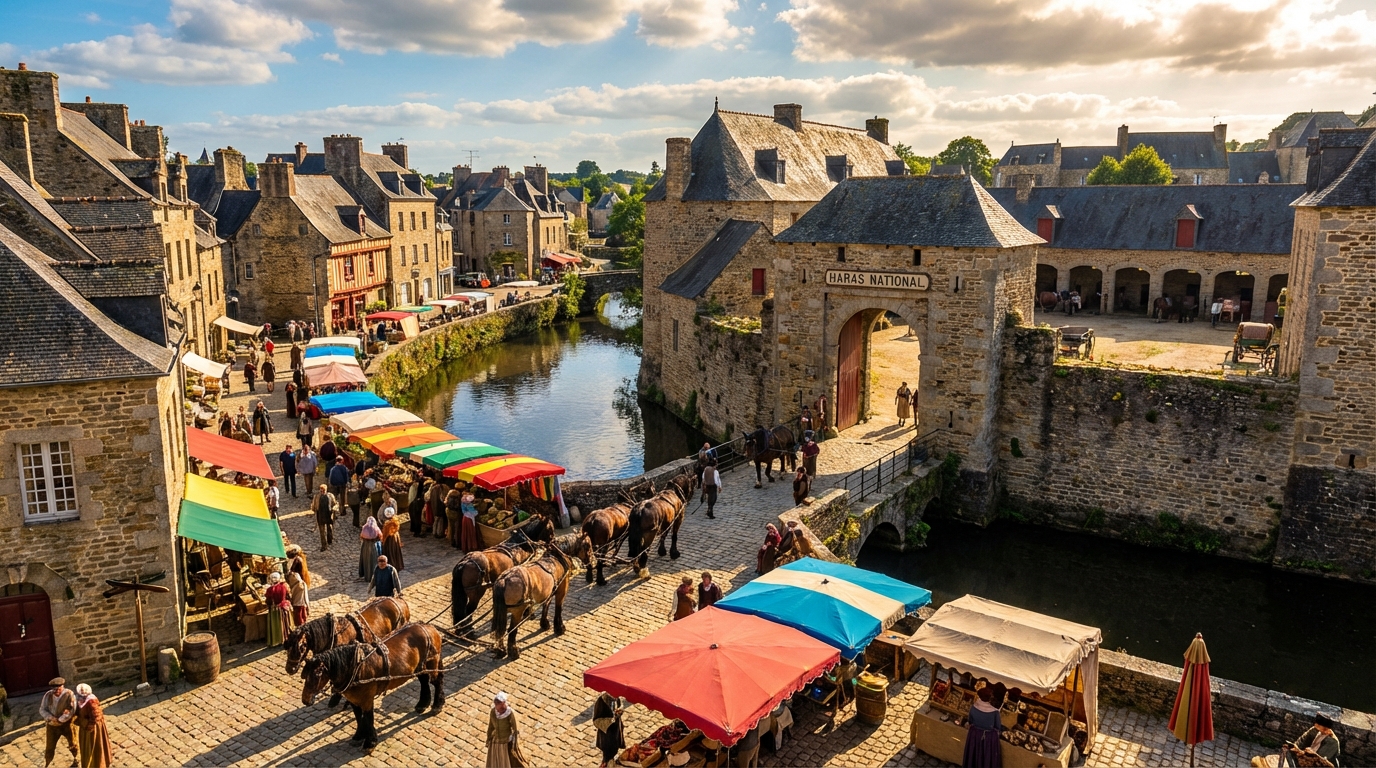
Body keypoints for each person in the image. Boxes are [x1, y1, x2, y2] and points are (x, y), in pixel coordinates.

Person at [1260, 713, 1341, 767]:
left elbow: (1320, 762)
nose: (1316, 728)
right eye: (1316, 727)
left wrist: (1309, 753)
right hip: (1304, 758)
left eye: (1318, 728)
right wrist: (1295, 747)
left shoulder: (1332, 742)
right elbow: (1302, 740)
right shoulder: (1315, 730)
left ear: (1326, 729)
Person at [40, 677, 77, 767]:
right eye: (54, 689)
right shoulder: (48, 695)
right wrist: (50, 717)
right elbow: (42, 709)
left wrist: (60, 720)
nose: (56, 691)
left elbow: (71, 710)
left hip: (67, 725)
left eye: (58, 689)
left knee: (73, 743)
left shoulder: (69, 694)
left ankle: (76, 758)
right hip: (52, 726)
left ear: (62, 687)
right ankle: (47, 762)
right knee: (50, 746)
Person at [962, 685, 1002, 767]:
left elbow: (970, 721)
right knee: (986, 756)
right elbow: (998, 727)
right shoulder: (995, 712)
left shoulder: (973, 707)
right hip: (988, 739)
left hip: (975, 735)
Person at [73, 684, 111, 768]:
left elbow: (97, 715)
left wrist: (90, 726)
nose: (83, 692)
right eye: (81, 690)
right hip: (84, 726)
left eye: (84, 690)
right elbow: (77, 710)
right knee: (85, 747)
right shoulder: (79, 699)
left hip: (93, 727)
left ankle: (98, 764)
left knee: (95, 745)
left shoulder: (91, 701)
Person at [486, 692, 528, 768]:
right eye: (497, 709)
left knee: (509, 760)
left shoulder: (510, 713)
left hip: (506, 741)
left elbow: (516, 729)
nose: (499, 711)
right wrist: (489, 738)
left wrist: (514, 743)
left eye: (501, 708)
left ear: (504, 704)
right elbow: (491, 726)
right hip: (496, 741)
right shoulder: (493, 712)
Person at [593, 692, 626, 768]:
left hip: (616, 731)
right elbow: (596, 720)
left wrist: (620, 711)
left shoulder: (616, 698)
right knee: (607, 755)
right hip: (606, 734)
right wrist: (610, 721)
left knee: (614, 750)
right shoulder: (601, 701)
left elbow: (620, 705)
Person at [265, 571, 290, 647]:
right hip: (282, 608)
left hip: (273, 610)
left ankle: (275, 640)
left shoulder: (269, 590)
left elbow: (268, 601)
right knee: (283, 624)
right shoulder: (283, 587)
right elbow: (287, 596)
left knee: (274, 625)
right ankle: (284, 638)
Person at [313, 484, 336, 551]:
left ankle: (330, 539)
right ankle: (324, 545)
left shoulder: (330, 496)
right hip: (320, 515)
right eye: (321, 491)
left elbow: (334, 504)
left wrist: (333, 509)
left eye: (323, 491)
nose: (322, 492)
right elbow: (314, 505)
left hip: (328, 514)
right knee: (322, 531)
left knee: (329, 528)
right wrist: (314, 510)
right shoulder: (317, 496)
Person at [359, 516, 382, 581]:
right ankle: (374, 576)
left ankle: (367, 576)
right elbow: (380, 536)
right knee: (374, 561)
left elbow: (361, 536)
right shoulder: (376, 528)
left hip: (365, 547)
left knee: (366, 562)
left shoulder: (364, 528)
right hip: (374, 547)